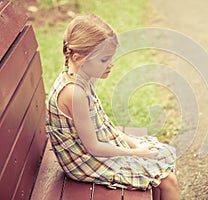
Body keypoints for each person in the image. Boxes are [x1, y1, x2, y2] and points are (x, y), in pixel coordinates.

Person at [45, 14, 180, 200]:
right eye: (103, 60)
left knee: (160, 157)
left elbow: (102, 123)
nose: (111, 64)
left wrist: (135, 143)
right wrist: (135, 153)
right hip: (85, 162)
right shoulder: (73, 93)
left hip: (95, 150)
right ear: (78, 58)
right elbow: (93, 147)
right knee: (168, 180)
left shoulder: (79, 78)